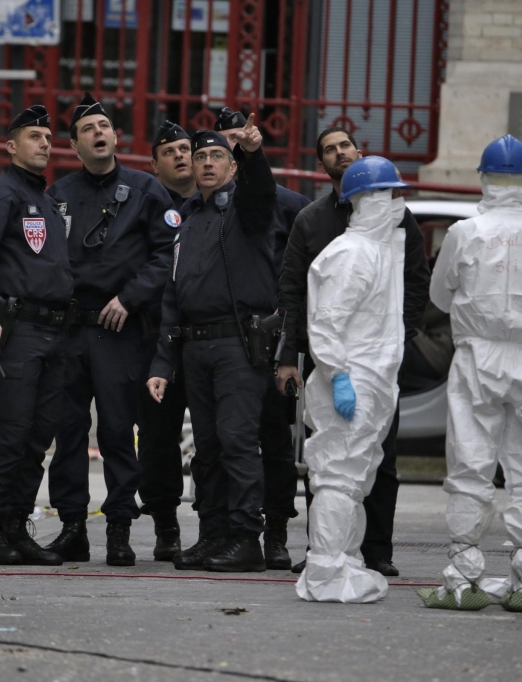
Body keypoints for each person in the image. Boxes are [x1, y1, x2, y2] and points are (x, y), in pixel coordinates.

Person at [420, 134, 522, 613]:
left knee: (471, 464)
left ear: (484, 178)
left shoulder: (465, 232)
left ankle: (464, 581)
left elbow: (439, 294)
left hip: (479, 356)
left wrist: (475, 319)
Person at [277, 126, 431, 577]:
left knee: (374, 462)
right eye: (330, 149)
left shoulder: (397, 229)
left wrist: (395, 339)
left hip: (379, 364)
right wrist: (317, 363)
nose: (339, 152)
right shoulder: (320, 225)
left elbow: (415, 284)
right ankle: (326, 554)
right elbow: (300, 298)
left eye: (345, 145)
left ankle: (371, 552)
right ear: (322, 164)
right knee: (332, 466)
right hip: (341, 365)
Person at [43, 93, 175, 566]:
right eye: (87, 129)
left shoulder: (145, 190)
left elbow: (167, 255)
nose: (98, 133)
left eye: (104, 125)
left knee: (119, 432)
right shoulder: (58, 195)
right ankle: (73, 527)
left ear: (116, 136)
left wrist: (130, 297)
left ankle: (118, 528)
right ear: (75, 145)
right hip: (71, 329)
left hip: (119, 329)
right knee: (69, 432)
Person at [147, 116, 277, 572]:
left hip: (238, 343)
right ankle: (214, 532)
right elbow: (172, 293)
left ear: (232, 166)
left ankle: (245, 539)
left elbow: (262, 191)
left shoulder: (247, 208)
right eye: (199, 156)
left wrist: (253, 152)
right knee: (207, 448)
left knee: (236, 441)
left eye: (216, 156)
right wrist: (163, 362)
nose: (204, 163)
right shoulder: (188, 220)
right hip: (194, 346)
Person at [0, 104, 72, 566]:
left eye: (47, 136)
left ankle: (16, 530)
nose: (44, 143)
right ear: (11, 146)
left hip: (53, 332)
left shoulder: (46, 200)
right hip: (17, 330)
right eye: (34, 136)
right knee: (11, 434)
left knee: (38, 437)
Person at [297, 156, 409, 603]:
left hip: (370, 379)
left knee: (354, 479)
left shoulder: (379, 252)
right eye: (385, 193)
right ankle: (325, 569)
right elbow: (327, 322)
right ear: (361, 201)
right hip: (351, 378)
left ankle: (344, 560)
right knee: (338, 476)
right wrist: (339, 376)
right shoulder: (352, 253)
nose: (394, 202)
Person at [215, 107, 311, 570]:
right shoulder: (207, 205)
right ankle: (226, 530)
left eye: (240, 138)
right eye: (224, 139)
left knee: (275, 443)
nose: (232, 147)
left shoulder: (288, 205)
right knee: (224, 442)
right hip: (221, 342)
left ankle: (275, 532)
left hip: (271, 343)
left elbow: (297, 280)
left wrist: (290, 340)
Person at [136, 121, 198, 561]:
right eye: (170, 151)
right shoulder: (145, 205)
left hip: (208, 338)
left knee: (217, 436)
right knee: (158, 436)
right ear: (153, 163)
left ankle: (217, 524)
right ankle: (165, 524)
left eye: (185, 149)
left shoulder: (216, 203)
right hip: (156, 338)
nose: (180, 156)